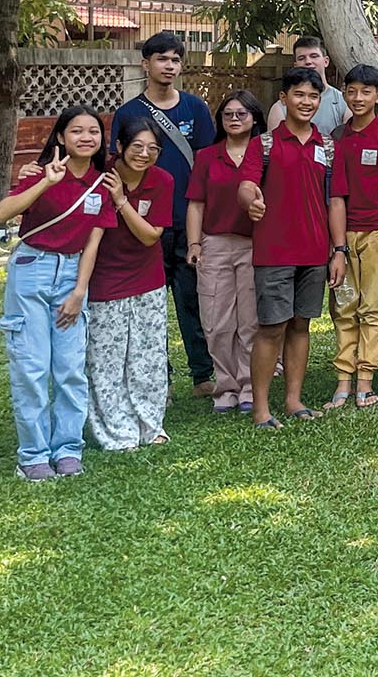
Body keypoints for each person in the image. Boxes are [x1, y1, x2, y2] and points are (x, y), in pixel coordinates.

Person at [0, 107, 116, 479]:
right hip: (32, 269)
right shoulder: (40, 173)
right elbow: (2, 214)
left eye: (93, 131)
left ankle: (67, 449)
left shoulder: (103, 184)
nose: (85, 137)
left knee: (70, 369)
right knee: (31, 367)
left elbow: (93, 243)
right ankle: (32, 455)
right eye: (76, 131)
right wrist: (45, 182)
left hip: (72, 274)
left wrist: (80, 290)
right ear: (61, 137)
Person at [236, 67, 350, 428]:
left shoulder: (328, 147)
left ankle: (293, 400)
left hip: (315, 253)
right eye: (298, 95)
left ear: (321, 101)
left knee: (301, 325)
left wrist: (339, 250)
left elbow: (335, 202)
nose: (306, 102)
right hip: (274, 253)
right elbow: (246, 185)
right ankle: (260, 410)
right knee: (271, 327)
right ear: (283, 99)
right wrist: (249, 200)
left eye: (313, 96)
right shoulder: (263, 144)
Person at [111, 31, 216, 399]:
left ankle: (203, 375)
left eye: (175, 59)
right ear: (146, 64)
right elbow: (118, 166)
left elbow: (206, 166)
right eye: (162, 59)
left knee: (192, 301)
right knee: (151, 304)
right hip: (145, 225)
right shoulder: (128, 114)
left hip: (188, 221)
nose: (169, 66)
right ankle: (161, 375)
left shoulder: (196, 108)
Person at [84, 118, 173, 451]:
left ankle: (151, 425)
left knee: (147, 358)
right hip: (105, 281)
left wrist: (121, 200)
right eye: (137, 146)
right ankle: (118, 431)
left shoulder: (162, 180)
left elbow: (151, 236)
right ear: (119, 147)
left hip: (148, 281)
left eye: (153, 149)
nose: (144, 154)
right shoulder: (98, 177)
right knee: (106, 361)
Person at [324, 65, 378, 411]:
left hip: (377, 233)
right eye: (352, 90)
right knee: (343, 307)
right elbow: (333, 195)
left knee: (372, 308)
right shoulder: (337, 138)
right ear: (344, 93)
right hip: (343, 234)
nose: (358, 98)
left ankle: (365, 381)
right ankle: (343, 380)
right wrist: (335, 243)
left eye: (366, 92)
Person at [187, 91, 263, 413]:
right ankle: (225, 387)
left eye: (241, 114)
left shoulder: (264, 153)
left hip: (254, 243)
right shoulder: (207, 156)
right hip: (215, 244)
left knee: (249, 321)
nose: (234, 119)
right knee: (217, 321)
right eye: (228, 114)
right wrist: (194, 243)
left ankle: (249, 386)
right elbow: (196, 204)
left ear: (254, 119)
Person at [266, 35, 350, 135]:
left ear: (326, 61)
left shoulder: (343, 102)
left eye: (314, 56)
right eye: (302, 58)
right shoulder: (281, 107)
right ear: (295, 65)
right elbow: (274, 145)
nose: (308, 62)